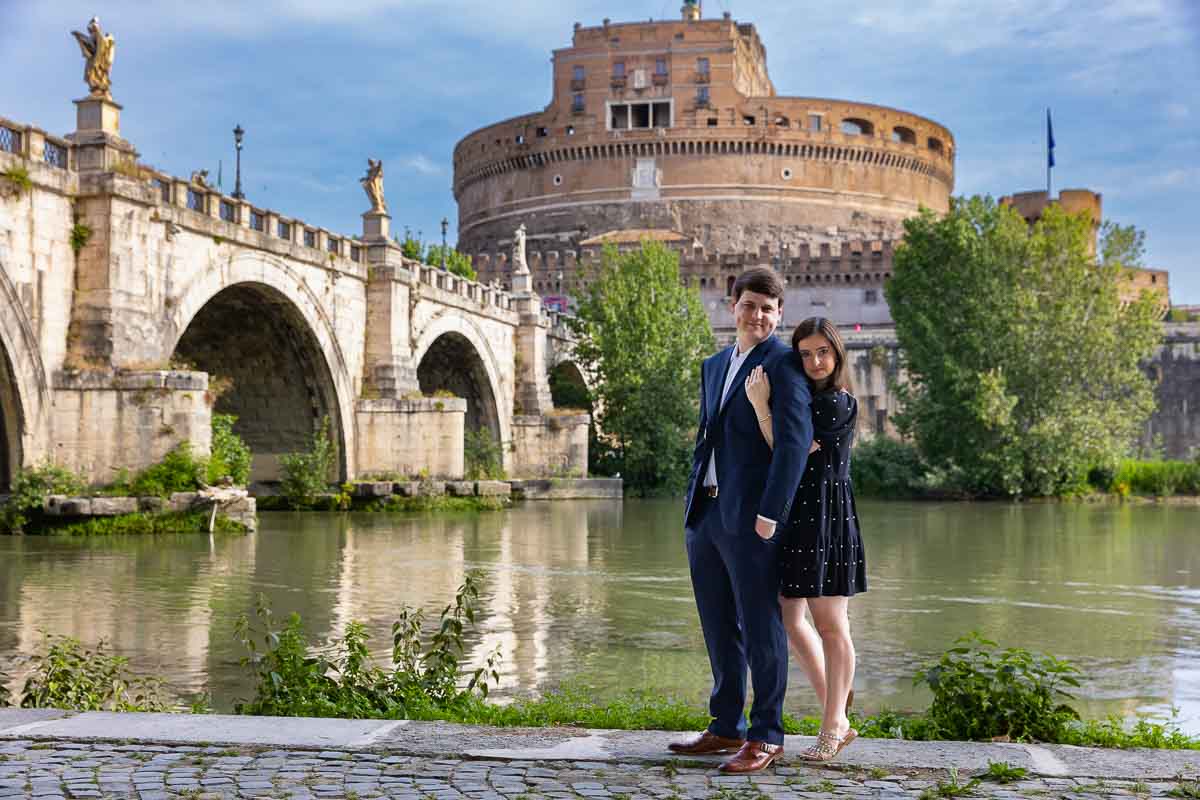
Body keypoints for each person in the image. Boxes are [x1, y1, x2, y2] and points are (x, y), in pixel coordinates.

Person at [669, 268, 813, 773]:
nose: (758, 317)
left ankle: (766, 735)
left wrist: (771, 514)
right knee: (717, 624)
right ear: (732, 306)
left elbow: (795, 444)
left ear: (779, 315)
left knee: (761, 626)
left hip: (754, 519)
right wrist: (692, 502)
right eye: (750, 306)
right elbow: (706, 437)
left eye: (768, 309)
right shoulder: (713, 365)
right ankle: (724, 725)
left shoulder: (784, 363)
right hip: (706, 513)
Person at [743, 316, 866, 762]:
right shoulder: (807, 398)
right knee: (792, 619)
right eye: (806, 354)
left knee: (832, 626)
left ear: (836, 354)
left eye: (823, 352)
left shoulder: (835, 402)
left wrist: (762, 407)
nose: (815, 362)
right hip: (799, 516)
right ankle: (839, 714)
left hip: (828, 520)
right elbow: (793, 445)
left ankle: (833, 724)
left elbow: (786, 445)